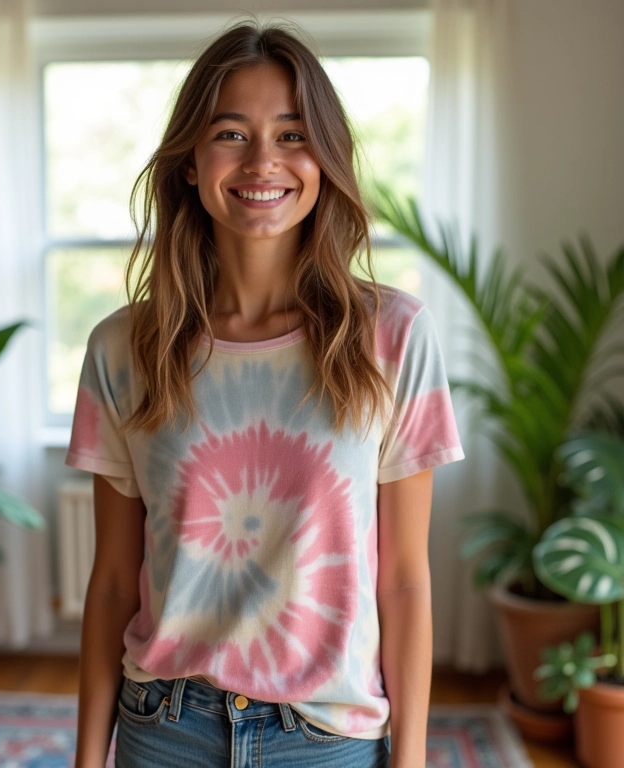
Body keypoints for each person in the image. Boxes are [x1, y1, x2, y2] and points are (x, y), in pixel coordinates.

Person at [67, 20, 464, 768]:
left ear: (325, 158)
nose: (261, 162)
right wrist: (88, 759)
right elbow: (114, 579)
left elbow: (406, 580)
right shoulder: (122, 348)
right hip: (165, 726)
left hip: (328, 737)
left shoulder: (395, 338)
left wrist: (409, 759)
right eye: (230, 133)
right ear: (189, 161)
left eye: (291, 134)